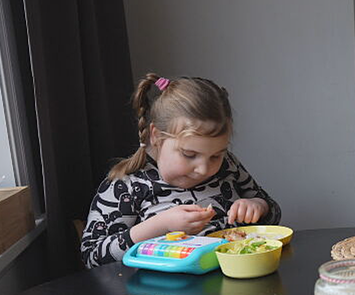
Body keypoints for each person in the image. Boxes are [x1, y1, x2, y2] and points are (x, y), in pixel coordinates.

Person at [81, 74, 281, 268]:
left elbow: (274, 214)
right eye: (189, 154)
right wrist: (161, 225)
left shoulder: (228, 165)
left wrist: (257, 206)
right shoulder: (127, 185)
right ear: (156, 136)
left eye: (215, 155)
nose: (204, 169)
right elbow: (92, 256)